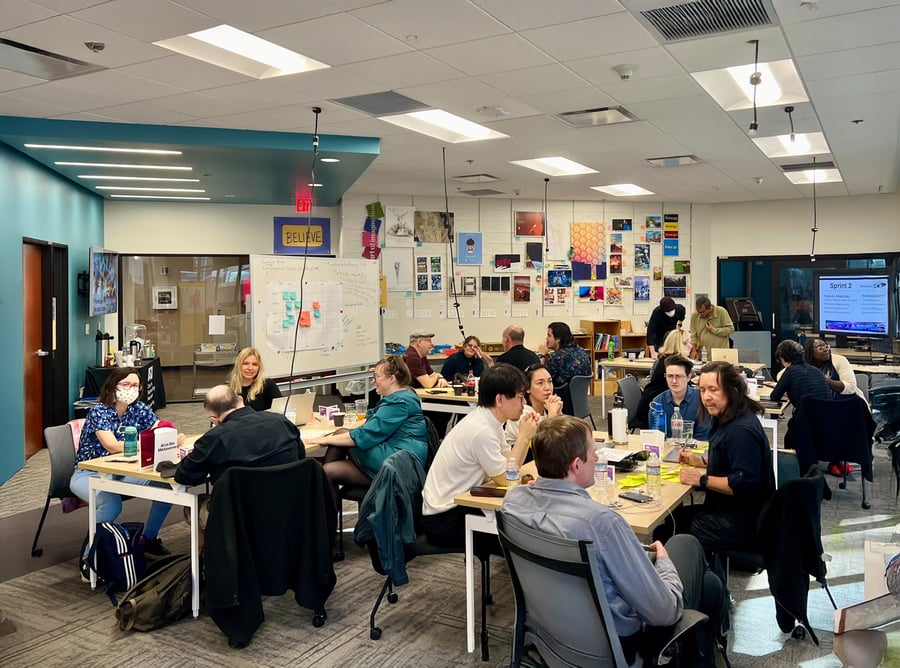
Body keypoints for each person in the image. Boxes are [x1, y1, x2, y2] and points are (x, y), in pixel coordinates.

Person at [503, 415, 725, 666]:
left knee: (710, 586)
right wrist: (663, 563)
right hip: (614, 648)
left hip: (550, 636)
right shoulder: (601, 524)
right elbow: (664, 612)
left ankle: (706, 639)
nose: (597, 457)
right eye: (592, 452)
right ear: (576, 465)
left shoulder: (513, 503)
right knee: (687, 546)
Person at [422, 364, 539, 548]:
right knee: (518, 536)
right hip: (444, 517)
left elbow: (511, 462)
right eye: (519, 397)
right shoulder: (481, 430)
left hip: (462, 499)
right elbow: (505, 478)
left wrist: (525, 438)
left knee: (522, 510)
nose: (524, 403)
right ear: (500, 400)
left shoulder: (490, 420)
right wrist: (523, 437)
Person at [70, 367, 185, 556]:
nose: (130, 389)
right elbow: (112, 446)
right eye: (125, 384)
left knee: (167, 485)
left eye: (135, 386)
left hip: (125, 470)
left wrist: (170, 435)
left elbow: (159, 427)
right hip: (90, 472)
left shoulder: (138, 409)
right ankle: (90, 554)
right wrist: (147, 442)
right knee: (111, 504)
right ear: (113, 386)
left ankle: (148, 539)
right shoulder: (99, 412)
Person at [674, 361, 774, 555]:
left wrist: (700, 479)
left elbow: (743, 483)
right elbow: (732, 462)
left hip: (742, 522)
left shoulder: (741, 431)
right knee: (674, 519)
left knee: (670, 530)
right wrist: (701, 461)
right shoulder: (729, 417)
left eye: (713, 390)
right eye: (702, 390)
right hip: (730, 511)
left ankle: (693, 580)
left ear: (732, 390)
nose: (706, 397)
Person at [308, 356, 427, 504]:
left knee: (341, 436)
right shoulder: (403, 395)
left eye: (376, 376)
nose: (373, 380)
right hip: (395, 457)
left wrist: (324, 439)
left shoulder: (399, 401)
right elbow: (371, 418)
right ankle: (325, 521)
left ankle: (320, 517)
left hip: (399, 463)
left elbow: (365, 435)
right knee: (328, 471)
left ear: (391, 379)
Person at [174, 385, 304, 487]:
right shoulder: (282, 421)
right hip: (291, 505)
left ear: (213, 419)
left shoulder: (214, 438)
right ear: (240, 399)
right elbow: (300, 456)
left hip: (239, 513)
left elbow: (185, 476)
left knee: (195, 508)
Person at [770, 339, 835, 474]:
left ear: (783, 358)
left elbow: (774, 397)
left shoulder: (791, 371)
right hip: (828, 424)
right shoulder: (816, 371)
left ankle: (792, 470)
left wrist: (788, 391)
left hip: (804, 426)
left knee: (789, 434)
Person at [635, 328, 694, 430]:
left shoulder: (665, 359)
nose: (691, 346)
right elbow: (684, 388)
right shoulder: (672, 364)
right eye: (686, 343)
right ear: (677, 345)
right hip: (656, 412)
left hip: (657, 405)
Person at [504, 363, 564, 448]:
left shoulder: (547, 407)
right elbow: (545, 447)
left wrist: (559, 413)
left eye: (550, 381)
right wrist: (553, 415)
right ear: (527, 388)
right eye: (540, 383)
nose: (547, 388)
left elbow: (565, 440)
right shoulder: (522, 414)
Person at [652, 355, 710, 441]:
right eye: (670, 376)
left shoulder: (701, 399)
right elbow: (655, 437)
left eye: (678, 376)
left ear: (689, 377)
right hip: (666, 450)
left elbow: (703, 437)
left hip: (695, 450)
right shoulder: (658, 402)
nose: (674, 381)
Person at [538, 321, 591, 388]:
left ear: (558, 339)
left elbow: (542, 378)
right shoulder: (582, 351)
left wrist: (542, 355)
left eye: (549, 335)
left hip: (560, 395)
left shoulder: (556, 357)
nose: (546, 338)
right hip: (580, 396)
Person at [228, 346, 281, 411]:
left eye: (255, 364)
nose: (250, 368)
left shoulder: (267, 385)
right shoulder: (227, 390)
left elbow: (280, 409)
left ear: (259, 367)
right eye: (245, 363)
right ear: (238, 366)